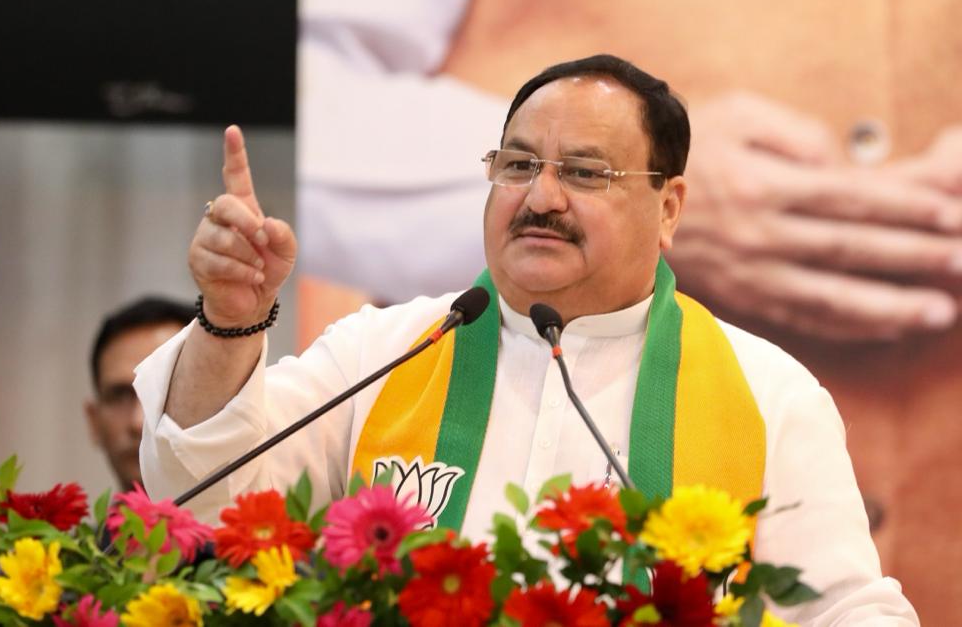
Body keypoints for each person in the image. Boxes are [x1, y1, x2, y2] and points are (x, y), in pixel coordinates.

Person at [137, 55, 917, 624]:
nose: (540, 197)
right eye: (517, 164)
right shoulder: (386, 350)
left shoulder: (769, 394)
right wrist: (231, 316)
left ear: (670, 206)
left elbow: (844, 607)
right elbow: (207, 492)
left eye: (583, 173)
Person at [87, 296, 195, 490]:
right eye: (120, 396)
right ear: (93, 421)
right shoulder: (24, 522)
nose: (138, 422)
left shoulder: (264, 521)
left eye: (165, 391)